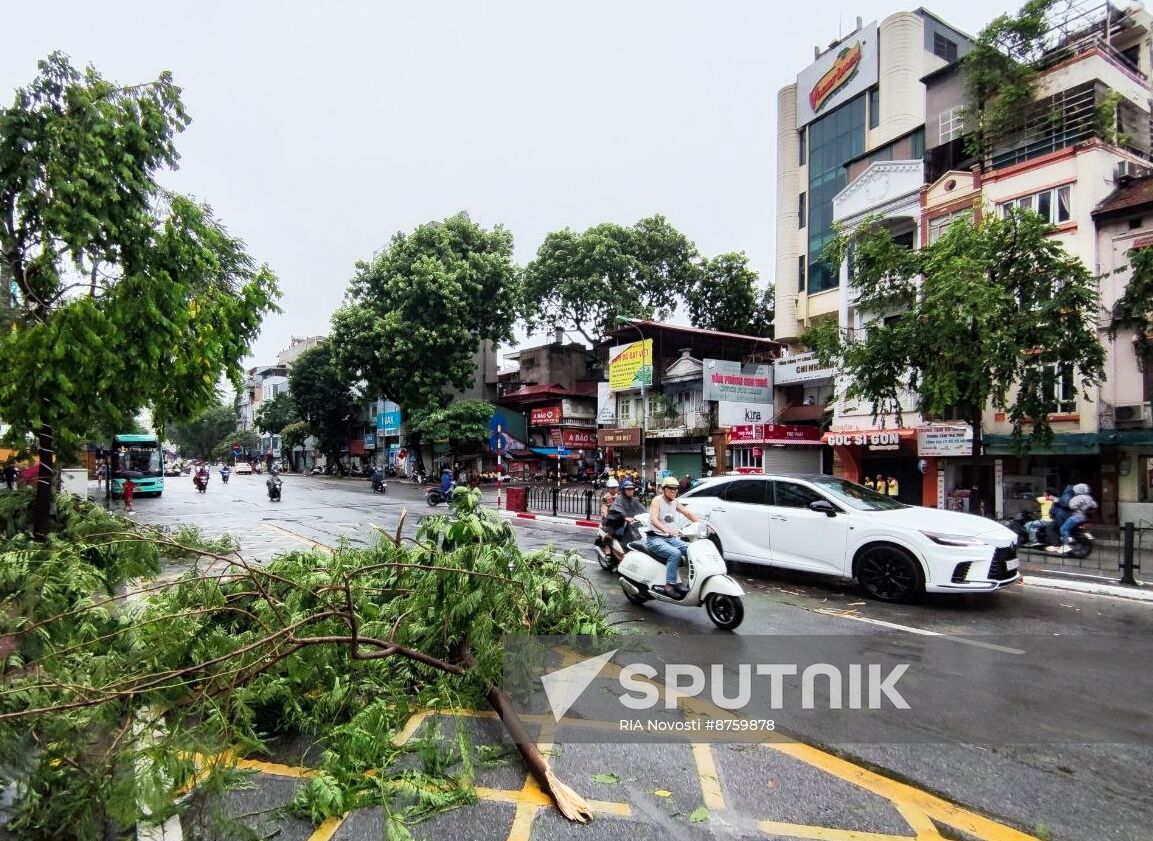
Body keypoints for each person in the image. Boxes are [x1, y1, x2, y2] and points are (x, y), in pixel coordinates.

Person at [645, 476, 701, 599]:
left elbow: (688, 513)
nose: (673, 491)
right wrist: (666, 529)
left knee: (692, 549)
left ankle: (690, 581)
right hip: (655, 538)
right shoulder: (657, 500)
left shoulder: (674, 501)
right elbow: (653, 519)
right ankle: (669, 585)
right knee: (675, 554)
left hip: (669, 538)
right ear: (664, 489)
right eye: (670, 488)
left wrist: (702, 525)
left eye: (675, 489)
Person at [1055, 483, 1097, 553]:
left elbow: (1072, 506)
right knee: (1069, 528)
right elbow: (1094, 505)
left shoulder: (1078, 497)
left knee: (1063, 528)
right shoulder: (1089, 497)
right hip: (1083, 517)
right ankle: (1070, 539)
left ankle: (1066, 545)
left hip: (1076, 516)